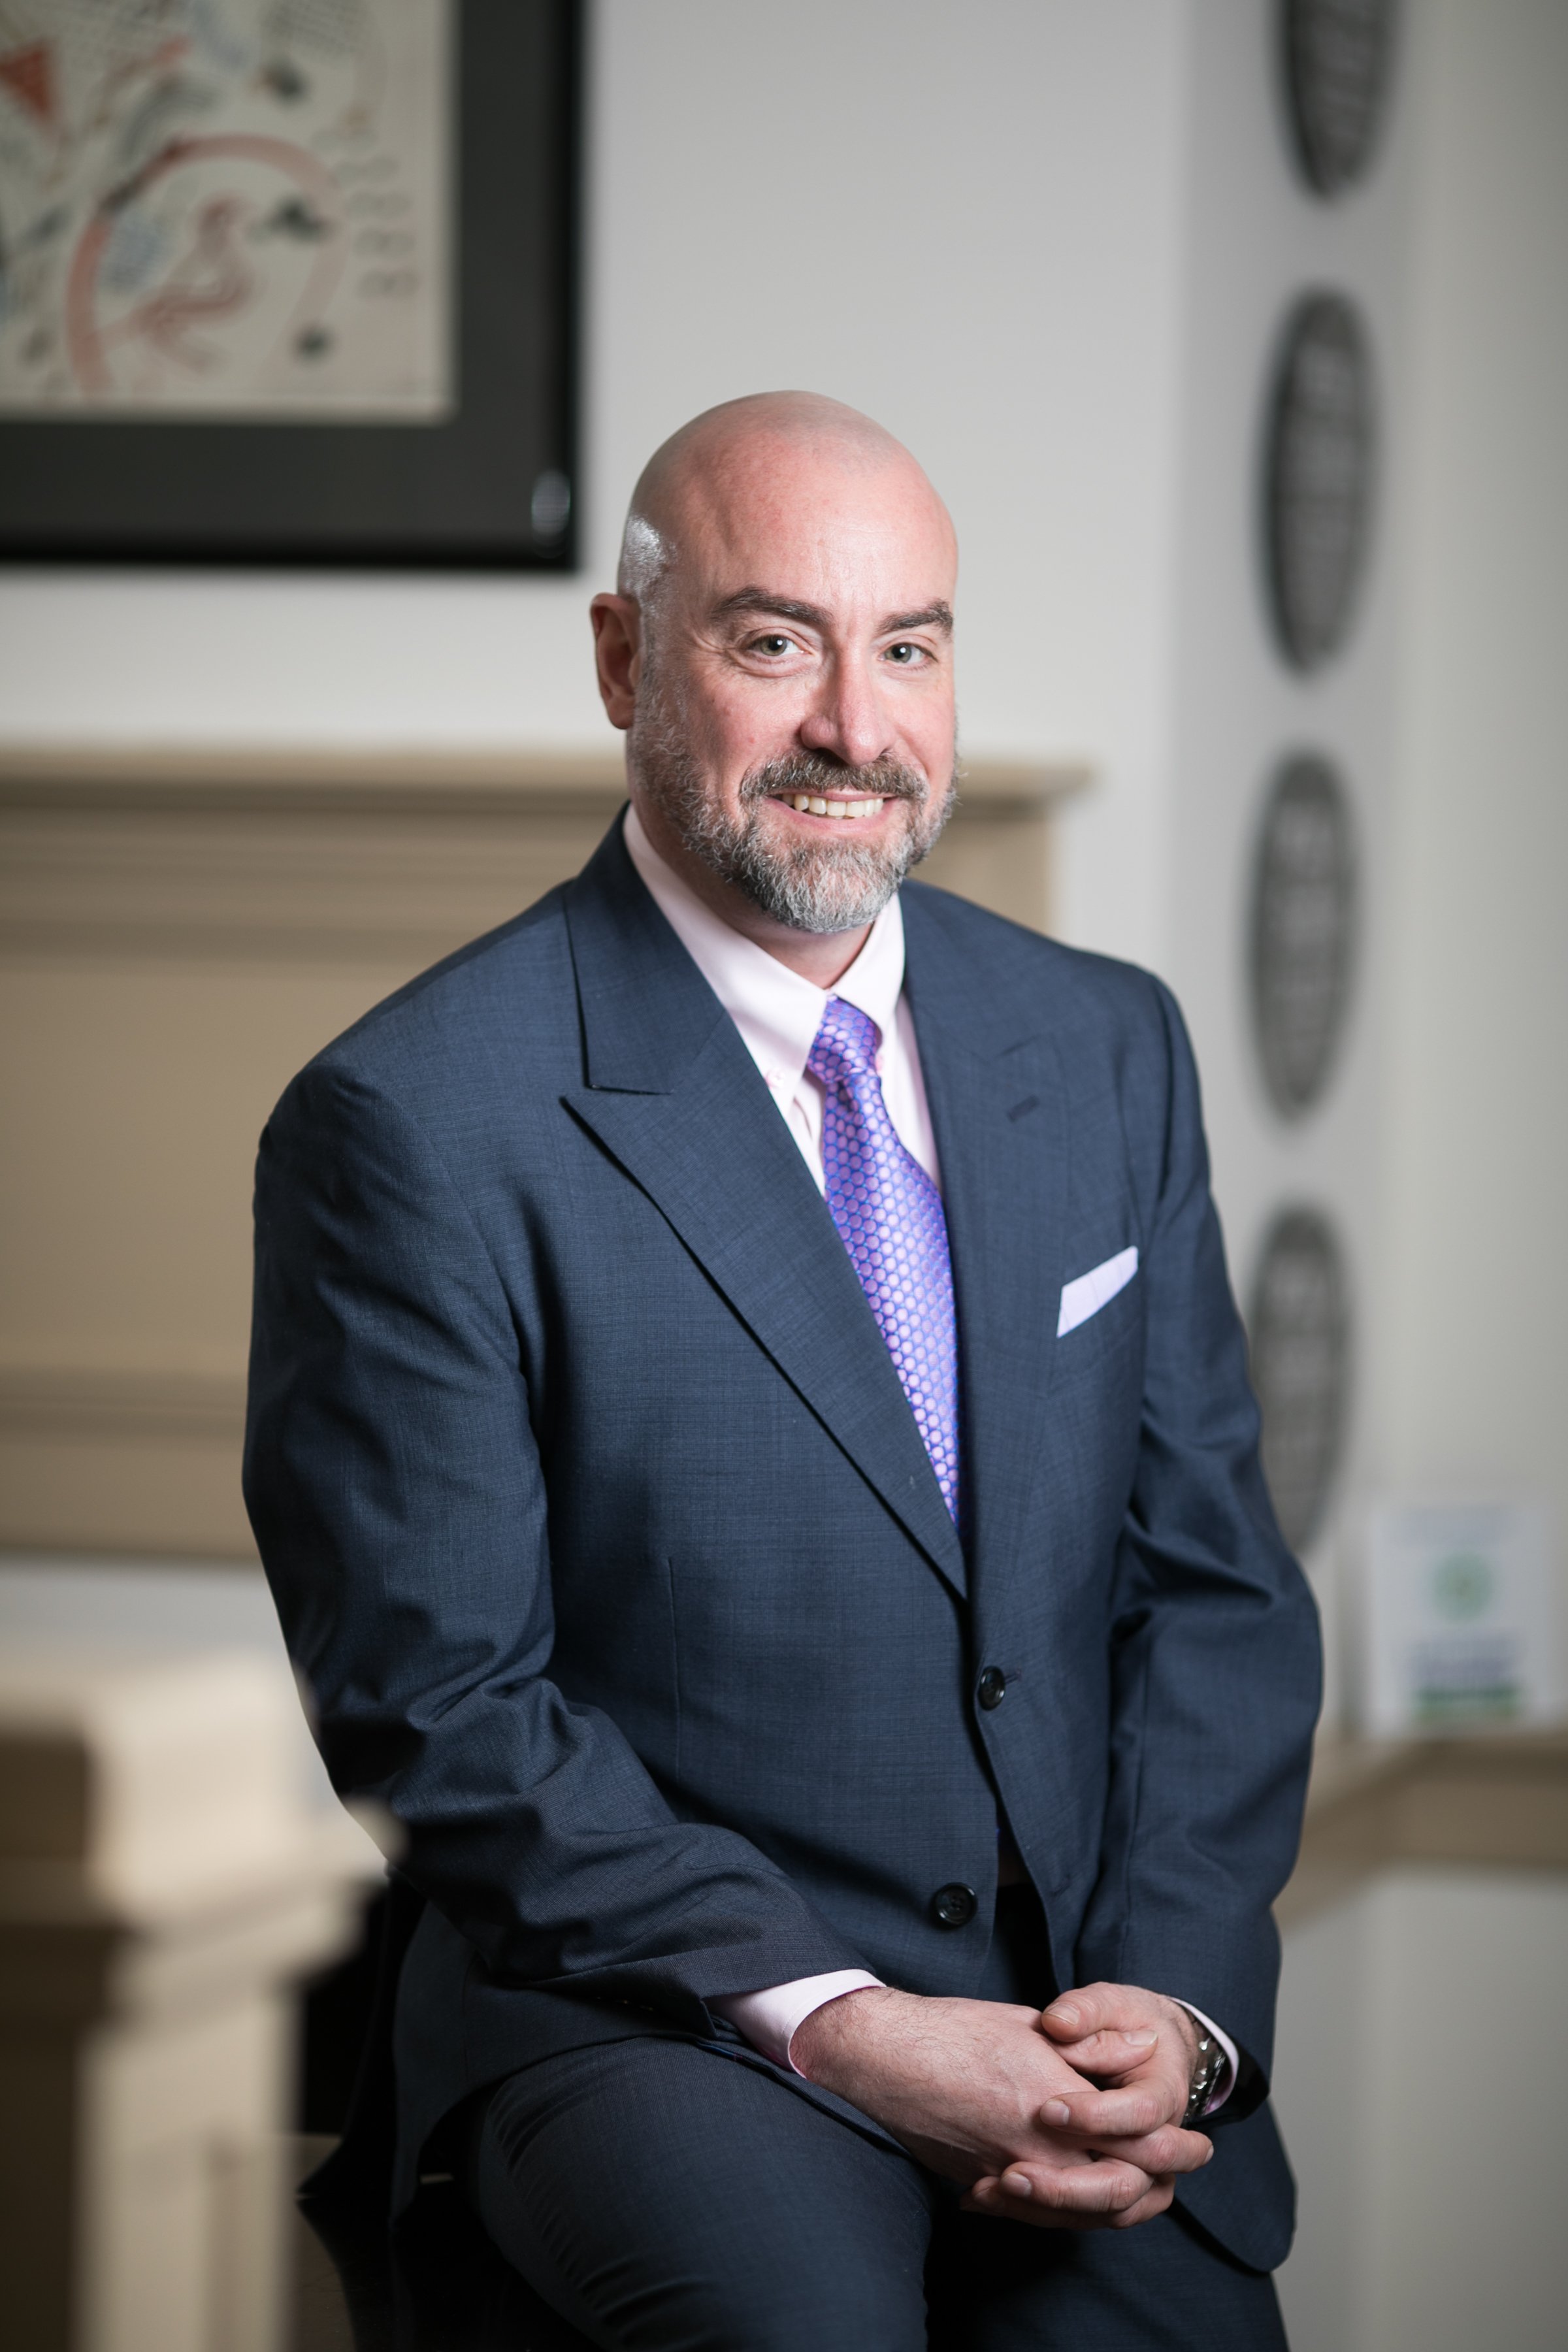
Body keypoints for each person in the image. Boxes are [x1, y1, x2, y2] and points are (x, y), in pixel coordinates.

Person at [245, 392, 1320, 2349]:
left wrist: (1171, 2007)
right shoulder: (413, 1121)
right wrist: (849, 2025)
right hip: (658, 2024)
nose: (855, 724)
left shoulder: (1104, 1048)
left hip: (1084, 2012)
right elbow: (443, 1705)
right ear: (622, 657)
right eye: (773, 640)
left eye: (907, 644)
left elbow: (1215, 1591)